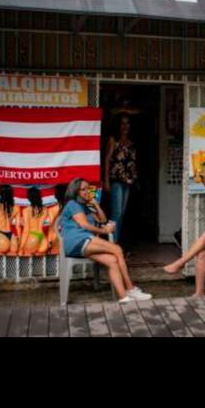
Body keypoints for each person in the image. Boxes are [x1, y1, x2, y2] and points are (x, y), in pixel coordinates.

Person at [57, 178, 152, 303]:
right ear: (75, 191)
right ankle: (130, 288)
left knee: (112, 261)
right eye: (83, 189)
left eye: (88, 189)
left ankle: (124, 297)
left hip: (83, 242)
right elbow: (85, 225)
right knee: (117, 249)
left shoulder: (85, 206)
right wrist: (104, 231)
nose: (87, 192)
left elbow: (102, 219)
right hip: (78, 240)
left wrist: (94, 204)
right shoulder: (73, 204)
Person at [103, 113, 138, 245]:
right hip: (115, 180)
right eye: (122, 123)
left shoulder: (130, 141)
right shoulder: (113, 140)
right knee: (116, 213)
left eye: (127, 123)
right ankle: (112, 244)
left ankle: (115, 242)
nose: (125, 126)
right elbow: (107, 159)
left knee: (121, 213)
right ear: (118, 125)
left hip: (127, 181)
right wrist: (106, 180)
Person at [19, 186, 60, 256]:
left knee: (27, 264)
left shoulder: (26, 211)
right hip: (42, 237)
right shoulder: (44, 209)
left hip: (32, 236)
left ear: (29, 198)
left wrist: (21, 247)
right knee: (40, 264)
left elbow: (26, 230)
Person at [0, 184, 21, 256]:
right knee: (12, 266)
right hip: (12, 238)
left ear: (0, 194)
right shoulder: (16, 208)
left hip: (0, 236)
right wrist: (20, 243)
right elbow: (18, 227)